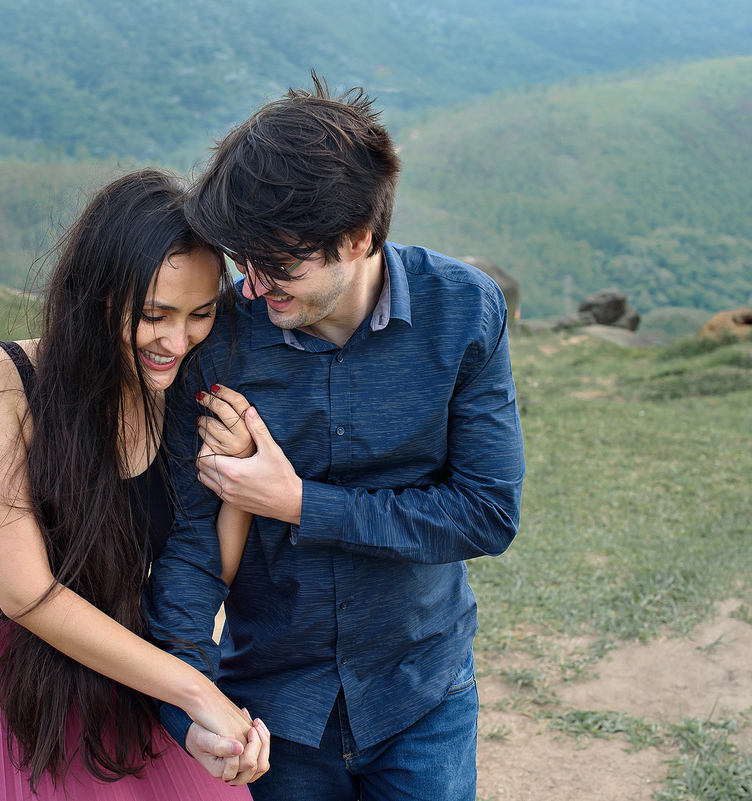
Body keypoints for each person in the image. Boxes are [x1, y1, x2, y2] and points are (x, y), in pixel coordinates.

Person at [146, 76, 526, 800]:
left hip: (423, 693)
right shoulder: (219, 342)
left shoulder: (463, 311)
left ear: (358, 238)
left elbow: (488, 512)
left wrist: (297, 502)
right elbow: (191, 547)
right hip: (274, 708)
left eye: (280, 265)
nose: (252, 286)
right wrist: (187, 704)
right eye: (243, 262)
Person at [0, 169, 270, 800]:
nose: (177, 340)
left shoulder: (179, 400)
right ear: (95, 293)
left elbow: (203, 572)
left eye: (200, 315)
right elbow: (26, 594)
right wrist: (194, 690)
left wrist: (235, 482)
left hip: (130, 675)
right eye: (154, 314)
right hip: (5, 688)